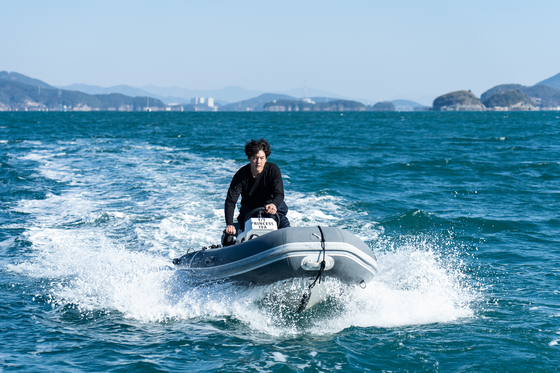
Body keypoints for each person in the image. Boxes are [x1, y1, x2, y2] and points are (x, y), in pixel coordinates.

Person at [224, 139, 290, 236]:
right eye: (255, 158)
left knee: (287, 231)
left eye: (262, 158)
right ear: (249, 158)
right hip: (250, 212)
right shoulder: (241, 175)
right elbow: (230, 201)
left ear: (266, 159)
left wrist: (274, 205)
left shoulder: (273, 170)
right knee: (234, 236)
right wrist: (229, 224)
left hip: (273, 210)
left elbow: (279, 193)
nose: (258, 162)